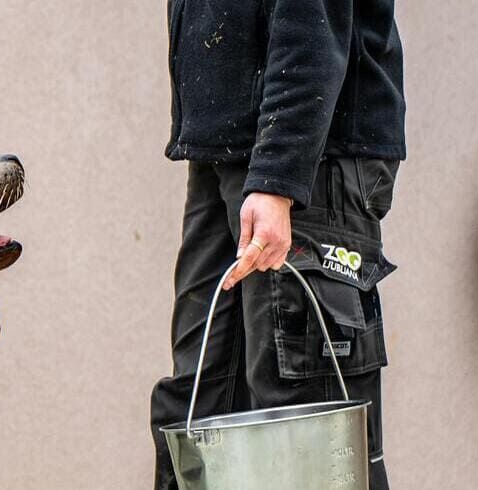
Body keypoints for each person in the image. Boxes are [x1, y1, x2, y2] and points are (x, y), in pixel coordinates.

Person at [148, 0, 404, 488]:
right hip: (226, 150)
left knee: (306, 431)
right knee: (200, 410)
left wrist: (278, 176)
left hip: (306, 156)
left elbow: (312, 19)